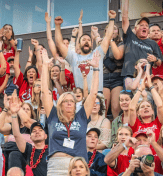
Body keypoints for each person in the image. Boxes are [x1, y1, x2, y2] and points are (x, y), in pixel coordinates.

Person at [41, 47, 100, 175]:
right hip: (56, 167)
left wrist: (96, 69)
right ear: (60, 105)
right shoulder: (53, 116)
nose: (68, 103)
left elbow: (93, 94)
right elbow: (45, 92)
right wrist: (45, 66)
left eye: (71, 101)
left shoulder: (82, 116)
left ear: (75, 105)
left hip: (78, 166)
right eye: (65, 101)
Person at [55, 10, 116, 92]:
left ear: (91, 44)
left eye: (88, 40)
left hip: (97, 95)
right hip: (80, 96)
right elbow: (59, 44)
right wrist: (57, 26)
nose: (86, 41)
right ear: (79, 44)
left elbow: (108, 36)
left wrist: (112, 19)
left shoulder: (98, 53)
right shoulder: (73, 57)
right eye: (83, 40)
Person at [121, 0, 163, 83]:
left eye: (146, 26)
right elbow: (124, 17)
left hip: (146, 78)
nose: (144, 27)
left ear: (148, 30)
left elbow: (159, 62)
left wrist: (155, 59)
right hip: (130, 76)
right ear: (135, 28)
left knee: (144, 96)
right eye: (141, 25)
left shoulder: (153, 43)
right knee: (129, 96)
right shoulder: (130, 37)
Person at [127, 73, 163, 141]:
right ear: (138, 113)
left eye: (148, 106)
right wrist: (140, 89)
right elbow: (131, 108)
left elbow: (160, 106)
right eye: (142, 107)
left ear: (153, 111)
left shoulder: (158, 123)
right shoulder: (135, 124)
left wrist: (151, 86)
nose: (145, 108)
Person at [102, 24, 125, 118]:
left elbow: (118, 56)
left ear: (118, 32)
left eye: (114, 29)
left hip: (117, 76)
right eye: (109, 29)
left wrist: (110, 40)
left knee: (116, 107)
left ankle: (117, 131)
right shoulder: (102, 44)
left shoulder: (121, 43)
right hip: (104, 77)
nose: (112, 31)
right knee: (103, 107)